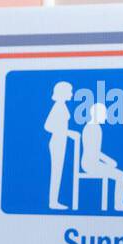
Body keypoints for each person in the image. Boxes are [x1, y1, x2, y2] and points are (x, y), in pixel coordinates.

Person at [78, 102, 123, 211]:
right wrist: (109, 161)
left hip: (93, 162)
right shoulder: (92, 128)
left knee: (118, 173)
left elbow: (95, 152)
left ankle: (118, 204)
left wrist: (107, 162)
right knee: (121, 176)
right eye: (104, 113)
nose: (106, 116)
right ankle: (118, 205)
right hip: (90, 164)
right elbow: (93, 151)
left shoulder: (94, 127)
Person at [44, 81, 80, 209]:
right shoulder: (58, 106)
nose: (72, 93)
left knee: (59, 172)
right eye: (69, 91)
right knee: (56, 172)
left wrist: (67, 133)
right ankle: (53, 202)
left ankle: (54, 201)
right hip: (57, 142)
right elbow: (48, 126)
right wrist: (68, 133)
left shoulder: (62, 106)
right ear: (62, 93)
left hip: (61, 141)